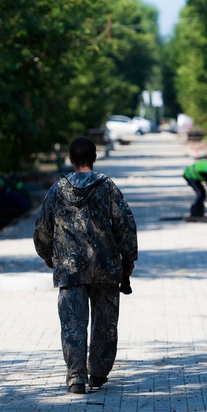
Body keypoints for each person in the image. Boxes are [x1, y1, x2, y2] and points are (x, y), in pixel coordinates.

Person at [33, 136, 138, 395]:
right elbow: (125, 224)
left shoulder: (57, 189)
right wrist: (129, 258)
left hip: (70, 270)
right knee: (105, 324)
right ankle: (98, 374)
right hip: (105, 267)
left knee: (73, 325)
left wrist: (46, 254)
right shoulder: (107, 187)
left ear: (71, 159)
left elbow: (43, 227)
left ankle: (76, 377)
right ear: (94, 158)